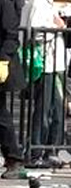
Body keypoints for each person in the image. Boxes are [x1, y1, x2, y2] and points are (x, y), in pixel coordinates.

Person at [24, 0, 67, 169]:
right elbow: (36, 33)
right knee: (44, 109)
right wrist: (57, 28)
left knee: (57, 108)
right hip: (46, 64)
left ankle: (51, 150)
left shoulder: (48, 4)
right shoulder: (38, 4)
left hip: (55, 64)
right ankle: (36, 151)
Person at [0, 0, 24, 179]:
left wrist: (4, 59)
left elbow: (10, 32)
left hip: (2, 59)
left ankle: (14, 158)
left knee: (1, 114)